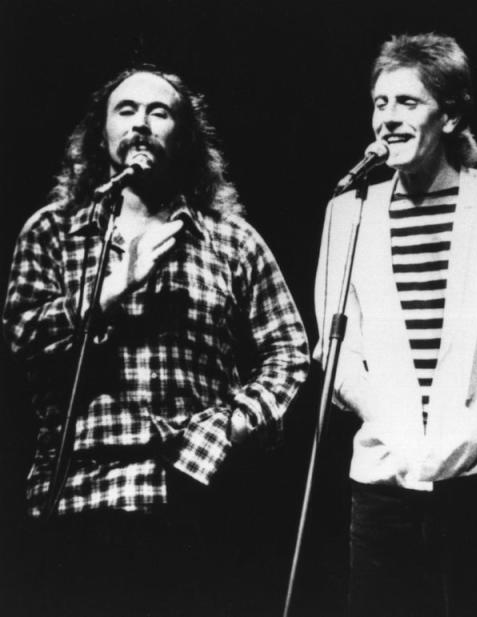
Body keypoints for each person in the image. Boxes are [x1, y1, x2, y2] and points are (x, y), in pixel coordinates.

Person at [2, 65, 310, 617]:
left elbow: (288, 350)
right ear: (101, 134)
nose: (140, 123)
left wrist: (233, 424)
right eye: (126, 110)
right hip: (80, 491)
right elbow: (22, 339)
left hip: (195, 490)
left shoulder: (231, 239)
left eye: (158, 112)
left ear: (185, 136)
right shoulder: (52, 230)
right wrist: (112, 290)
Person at [314, 33, 477, 617]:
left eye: (406, 102)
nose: (387, 119)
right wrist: (391, 424)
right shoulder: (347, 213)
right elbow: (335, 350)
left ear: (452, 113)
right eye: (379, 103)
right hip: (384, 477)